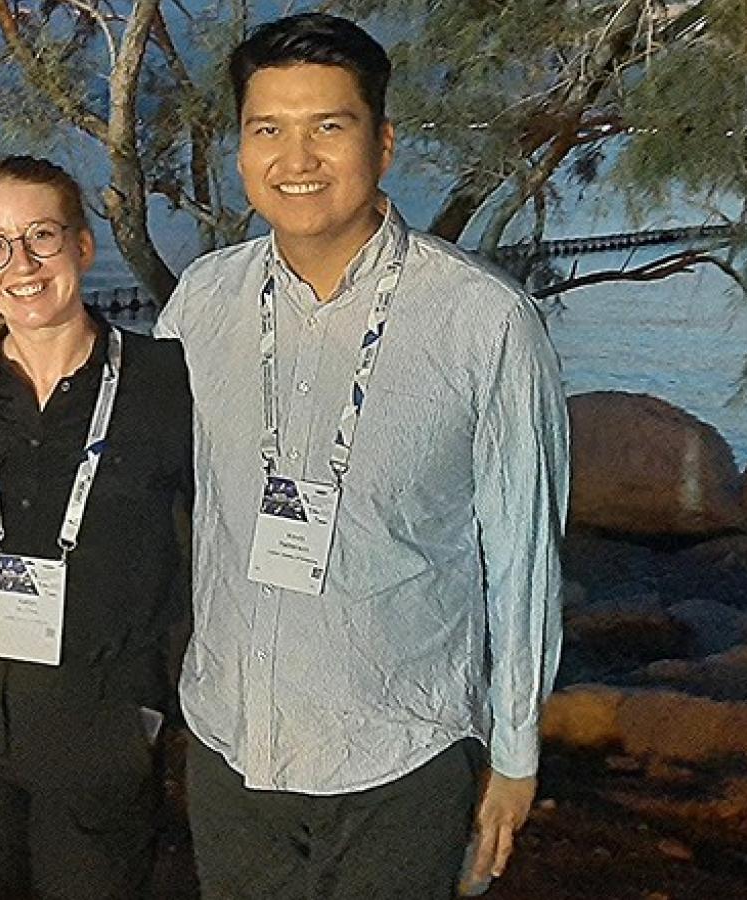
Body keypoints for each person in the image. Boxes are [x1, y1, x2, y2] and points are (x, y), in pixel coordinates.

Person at [155, 13, 569, 899]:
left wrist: (515, 754)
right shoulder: (200, 304)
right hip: (232, 745)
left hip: (401, 758)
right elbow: (153, 499)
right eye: (268, 128)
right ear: (239, 150)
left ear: (382, 142)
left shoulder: (482, 321)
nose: (295, 157)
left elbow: (525, 551)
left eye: (327, 126)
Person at [0, 155, 192, 899]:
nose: (22, 264)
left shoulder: (167, 382)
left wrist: (149, 709)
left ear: (82, 246)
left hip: (98, 715)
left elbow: (208, 545)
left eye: (42, 235)